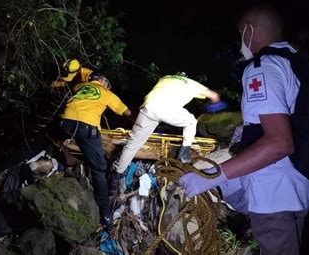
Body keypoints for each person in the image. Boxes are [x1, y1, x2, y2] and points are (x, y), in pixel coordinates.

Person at [179, 5, 309, 255]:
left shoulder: (262, 67)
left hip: (274, 198)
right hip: (305, 185)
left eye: (240, 32)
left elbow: (279, 142)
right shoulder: (300, 62)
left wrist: (213, 177)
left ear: (249, 31)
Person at [53, 59, 132, 228]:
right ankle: (105, 214)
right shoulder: (106, 93)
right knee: (99, 169)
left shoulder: (79, 87)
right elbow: (127, 112)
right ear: (103, 81)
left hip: (65, 121)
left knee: (51, 141)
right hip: (87, 126)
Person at [109, 72, 221, 192]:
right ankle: (184, 154)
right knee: (191, 121)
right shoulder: (191, 83)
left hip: (148, 107)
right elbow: (213, 95)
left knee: (133, 144)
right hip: (166, 109)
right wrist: (216, 105)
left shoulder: (165, 78)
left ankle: (115, 178)